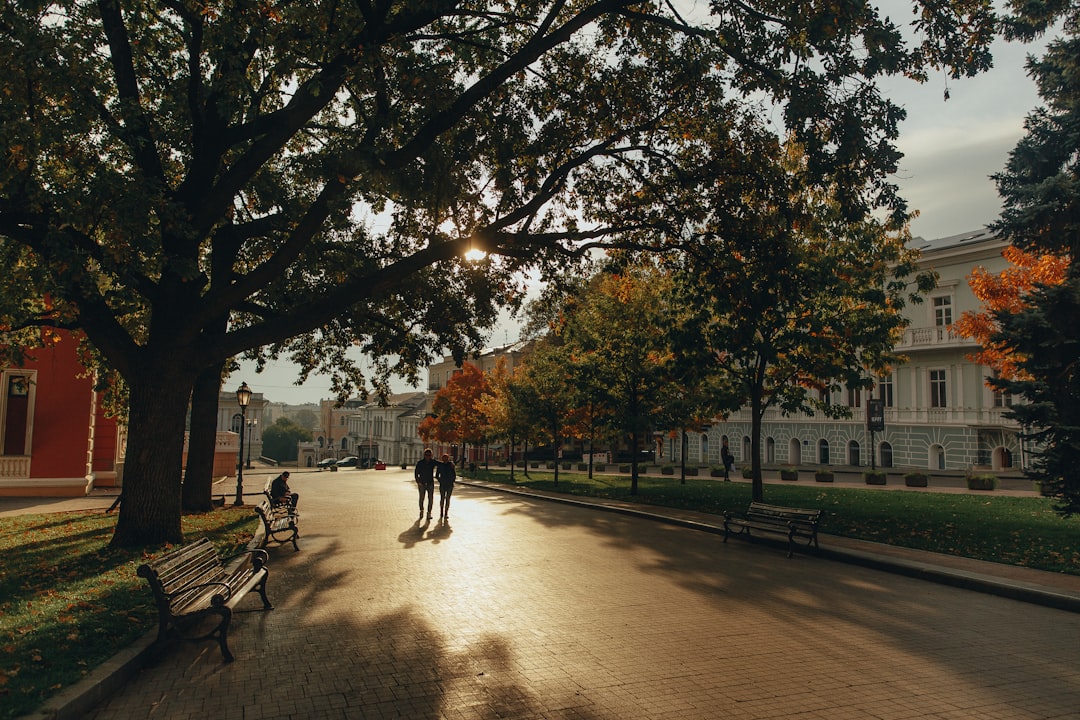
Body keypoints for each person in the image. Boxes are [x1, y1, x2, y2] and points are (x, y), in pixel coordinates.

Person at [414, 448, 437, 520]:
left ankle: (429, 513)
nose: (428, 457)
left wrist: (449, 463)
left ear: (431, 455)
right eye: (426, 455)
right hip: (422, 483)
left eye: (429, 455)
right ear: (424, 455)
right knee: (421, 498)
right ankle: (421, 510)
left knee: (430, 498)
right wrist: (418, 482)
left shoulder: (432, 462)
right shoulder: (420, 463)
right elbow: (416, 473)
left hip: (430, 483)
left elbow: (441, 464)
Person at [436, 453, 456, 521]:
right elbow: (437, 475)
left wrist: (452, 480)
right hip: (443, 484)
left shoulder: (451, 465)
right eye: (444, 459)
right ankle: (441, 512)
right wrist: (440, 480)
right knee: (442, 498)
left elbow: (454, 474)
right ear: (442, 459)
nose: (445, 460)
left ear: (448, 459)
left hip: (449, 485)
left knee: (447, 498)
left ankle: (446, 513)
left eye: (446, 458)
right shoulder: (440, 465)